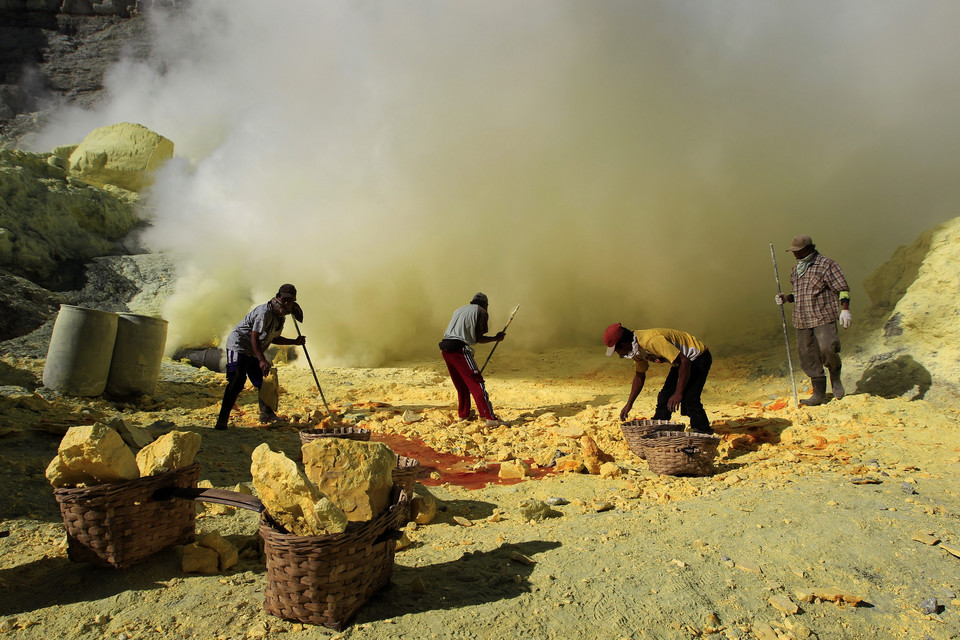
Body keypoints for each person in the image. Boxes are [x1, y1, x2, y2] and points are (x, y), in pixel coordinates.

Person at [214, 284, 305, 429]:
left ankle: (266, 414)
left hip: (253, 350)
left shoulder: (280, 317)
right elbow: (254, 336)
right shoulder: (265, 313)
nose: (288, 303)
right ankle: (222, 420)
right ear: (278, 296)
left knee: (264, 381)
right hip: (239, 345)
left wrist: (295, 342)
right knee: (237, 380)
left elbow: (273, 338)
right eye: (286, 299)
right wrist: (262, 360)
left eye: (291, 301)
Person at [775, 234, 851, 406]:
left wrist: (845, 309)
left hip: (822, 316)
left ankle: (835, 377)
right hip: (802, 319)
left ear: (809, 249)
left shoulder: (826, 265)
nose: (795, 255)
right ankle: (818, 394)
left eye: (798, 251)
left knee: (828, 349)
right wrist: (786, 298)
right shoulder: (796, 270)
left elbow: (842, 288)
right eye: (793, 252)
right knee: (807, 356)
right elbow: (799, 294)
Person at [603, 324, 713, 433]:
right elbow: (640, 376)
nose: (618, 354)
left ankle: (703, 432)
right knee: (664, 397)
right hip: (680, 362)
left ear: (624, 344)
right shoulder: (635, 350)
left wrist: (679, 393)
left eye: (616, 350)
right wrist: (629, 404)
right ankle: (659, 427)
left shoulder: (650, 341)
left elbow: (685, 361)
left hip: (697, 357)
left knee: (690, 399)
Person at [438, 292, 506, 427]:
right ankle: (490, 418)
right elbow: (479, 338)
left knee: (462, 385)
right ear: (485, 305)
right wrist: (496, 338)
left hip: (445, 349)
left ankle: (463, 415)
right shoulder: (481, 312)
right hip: (459, 350)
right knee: (477, 383)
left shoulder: (459, 309)